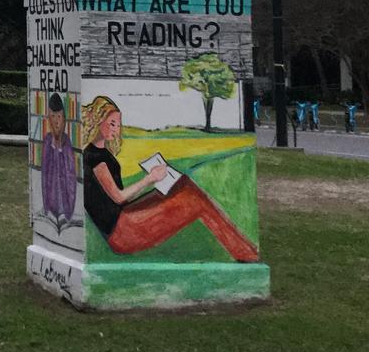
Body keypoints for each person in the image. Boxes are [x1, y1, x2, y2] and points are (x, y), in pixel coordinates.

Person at [81, 95, 258, 262]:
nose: (116, 129)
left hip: (123, 221)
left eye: (118, 125)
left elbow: (116, 201)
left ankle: (244, 250)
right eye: (112, 124)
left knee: (182, 185)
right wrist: (149, 179)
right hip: (121, 232)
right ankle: (245, 252)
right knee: (194, 199)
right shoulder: (97, 159)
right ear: (98, 121)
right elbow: (118, 197)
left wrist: (155, 183)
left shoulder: (97, 153)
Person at [40, 93, 76, 224]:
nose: (56, 121)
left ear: (64, 120)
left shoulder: (67, 142)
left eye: (59, 117)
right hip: (50, 207)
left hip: (64, 208)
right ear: (48, 119)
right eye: (52, 116)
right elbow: (44, 176)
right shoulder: (47, 141)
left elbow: (70, 178)